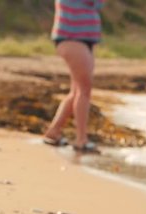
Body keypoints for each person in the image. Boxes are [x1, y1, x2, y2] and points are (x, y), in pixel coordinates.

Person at [43, 0, 105, 154]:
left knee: (77, 91)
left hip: (82, 39)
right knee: (84, 90)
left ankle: (54, 131)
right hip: (72, 38)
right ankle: (81, 139)